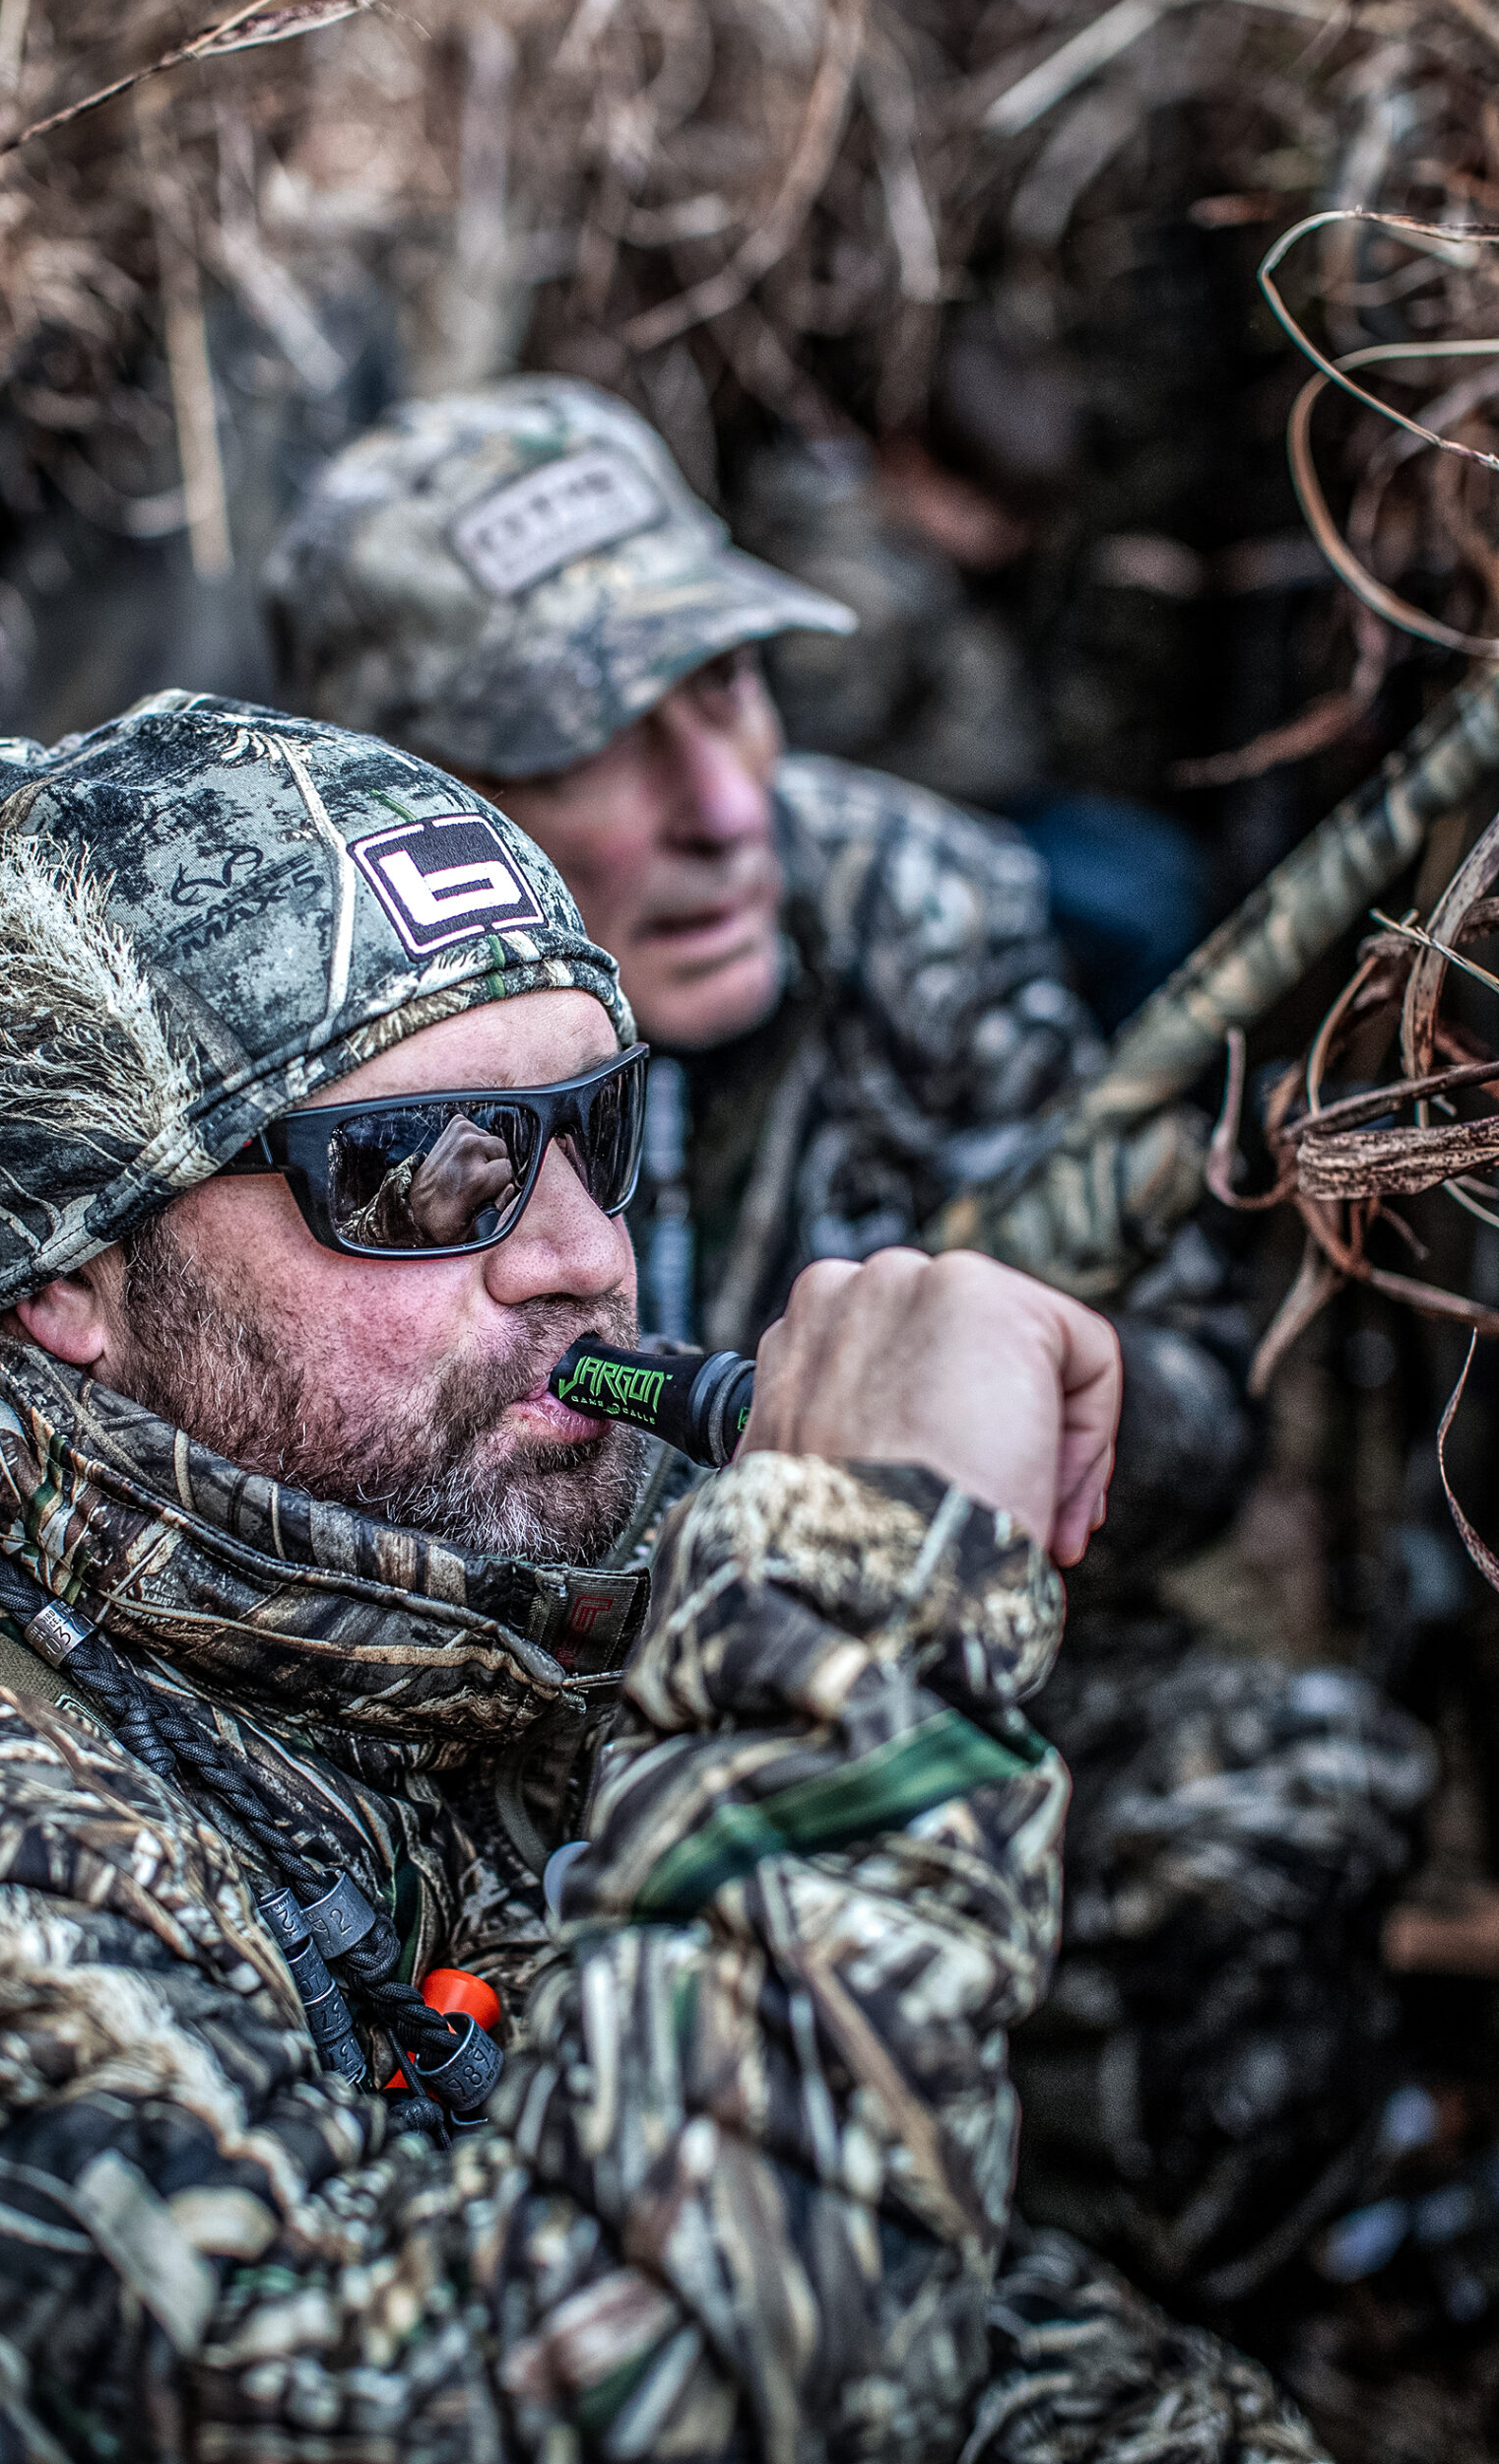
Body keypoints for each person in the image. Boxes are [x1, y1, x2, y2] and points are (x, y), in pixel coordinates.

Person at [0, 692, 1326, 2462]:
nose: (581, 1255)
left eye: (592, 1128)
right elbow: (575, 2407)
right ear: (66, 1276)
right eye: (414, 1172)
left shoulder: (422, 1551)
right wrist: (850, 1615)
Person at [262, 383, 1436, 2318]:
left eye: (728, 685)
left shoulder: (915, 904)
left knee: (1280, 1786)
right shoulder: (275, 1040)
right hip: (448, 1740)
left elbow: (1193, 1421)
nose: (726, 808)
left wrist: (998, 1399)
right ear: (400, 812)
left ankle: (1130, 2288)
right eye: (592, 743)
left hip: (879, 1660)